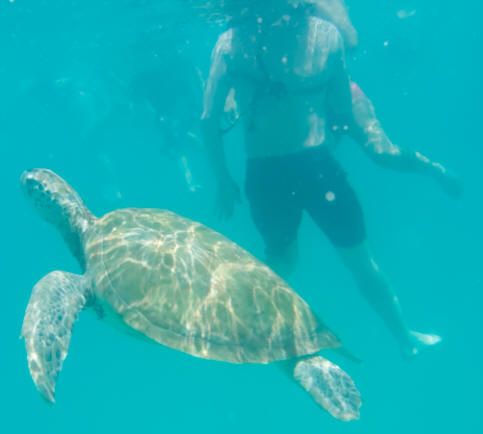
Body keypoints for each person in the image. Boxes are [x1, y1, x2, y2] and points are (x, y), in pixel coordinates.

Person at [200, 0, 459, 358]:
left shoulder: (230, 43)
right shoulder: (321, 34)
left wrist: (222, 179)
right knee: (357, 264)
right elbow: (338, 105)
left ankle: (230, 329)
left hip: (268, 173)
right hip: (316, 167)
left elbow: (208, 120)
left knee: (285, 260)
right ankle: (403, 338)